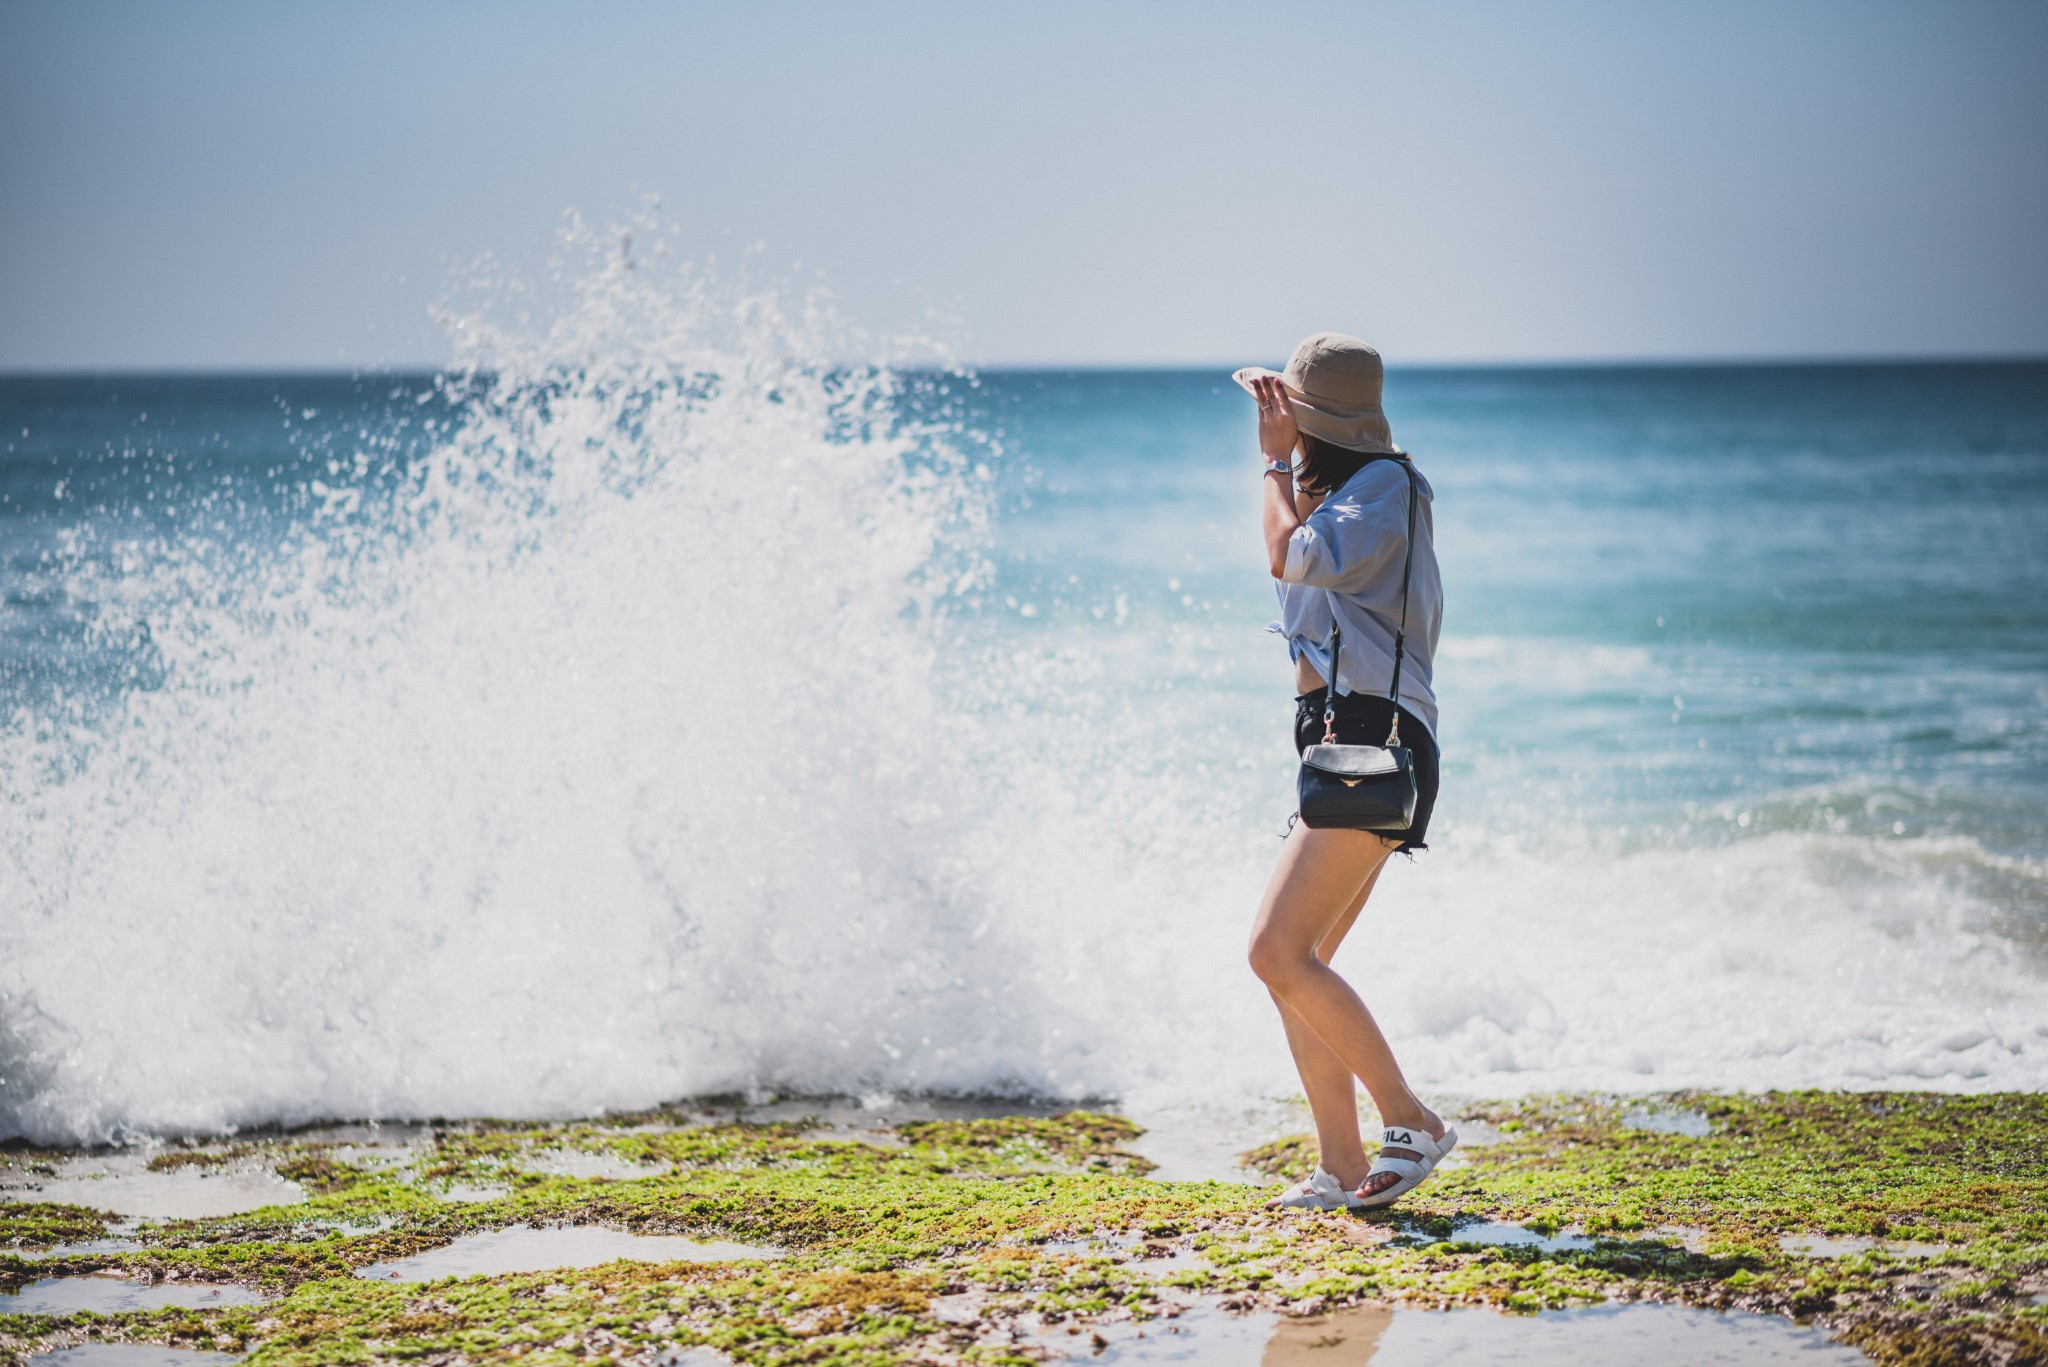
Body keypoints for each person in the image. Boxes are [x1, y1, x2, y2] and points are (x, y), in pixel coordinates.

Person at [1233, 333, 1454, 1210]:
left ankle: (1415, 1122)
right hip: (1331, 737)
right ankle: (1336, 1163)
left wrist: (1273, 469)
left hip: (1378, 736)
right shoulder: (1337, 497)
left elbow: (1290, 559)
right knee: (1305, 962)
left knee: (1274, 951)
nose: (1271, 426)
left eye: (1284, 411)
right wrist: (1289, 470)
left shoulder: (1387, 487)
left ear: (1314, 424)